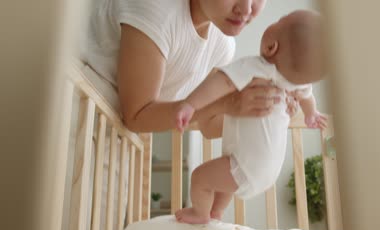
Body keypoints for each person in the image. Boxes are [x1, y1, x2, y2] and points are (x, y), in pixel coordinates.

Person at [174, 10, 327, 224]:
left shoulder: (257, 68)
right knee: (225, 177)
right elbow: (308, 97)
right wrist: (311, 114)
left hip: (245, 165)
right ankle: (215, 212)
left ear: (271, 46)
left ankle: (200, 213)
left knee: (200, 177)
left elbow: (221, 82)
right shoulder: (295, 85)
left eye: (278, 20)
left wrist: (190, 104)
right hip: (266, 171)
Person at [81, 0, 299, 140]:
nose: (246, 9)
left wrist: (264, 108)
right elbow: (136, 115)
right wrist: (228, 103)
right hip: (79, 104)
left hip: (116, 134)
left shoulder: (222, 44)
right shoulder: (158, 9)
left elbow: (208, 124)